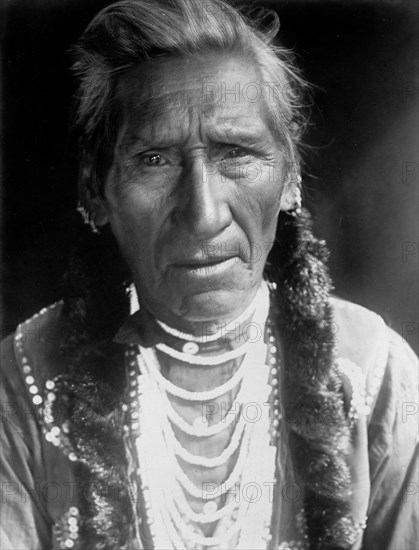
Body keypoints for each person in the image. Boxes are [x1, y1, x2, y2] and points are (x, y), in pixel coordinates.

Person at [1, 0, 417, 549]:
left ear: (290, 176)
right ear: (92, 190)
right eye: (155, 160)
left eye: (237, 152)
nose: (203, 215)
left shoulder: (373, 372)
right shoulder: (25, 378)